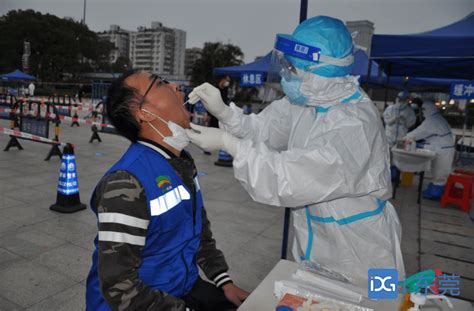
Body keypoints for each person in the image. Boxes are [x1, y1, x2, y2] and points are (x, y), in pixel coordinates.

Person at [186, 16, 404, 283]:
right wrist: (225, 114)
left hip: (362, 250)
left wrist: (228, 144)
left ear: (320, 73)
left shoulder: (355, 124)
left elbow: (289, 178)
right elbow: (264, 131)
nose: (286, 74)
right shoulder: (305, 101)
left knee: (378, 304)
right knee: (309, 298)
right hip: (314, 240)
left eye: (294, 68)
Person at [86, 70, 249, 311]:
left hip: (181, 286)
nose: (175, 86)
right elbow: (119, 286)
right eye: (160, 83)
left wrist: (223, 280)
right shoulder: (126, 182)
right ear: (144, 113)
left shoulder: (181, 161)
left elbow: (198, 229)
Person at [404, 101, 455, 200]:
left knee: (439, 173)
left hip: (443, 151)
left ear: (427, 110)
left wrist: (406, 137)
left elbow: (419, 132)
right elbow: (432, 135)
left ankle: (435, 193)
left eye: (423, 111)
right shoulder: (437, 118)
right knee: (437, 171)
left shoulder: (431, 121)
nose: (422, 113)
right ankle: (434, 190)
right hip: (443, 149)